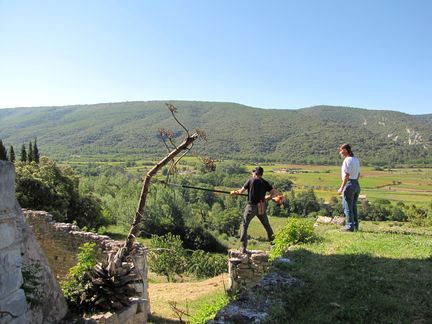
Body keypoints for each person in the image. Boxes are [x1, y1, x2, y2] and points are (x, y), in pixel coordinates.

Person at [230, 166, 278, 252]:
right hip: (261, 206)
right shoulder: (264, 182)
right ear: (261, 174)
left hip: (251, 206)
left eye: (253, 172)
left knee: (245, 225)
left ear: (255, 173)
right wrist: (268, 197)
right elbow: (274, 192)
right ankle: (274, 245)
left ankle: (243, 247)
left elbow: (240, 191)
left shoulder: (250, 180)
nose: (252, 173)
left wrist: (234, 192)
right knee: (267, 225)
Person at [337, 143, 361, 232]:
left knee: (347, 206)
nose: (340, 152)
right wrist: (355, 182)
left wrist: (341, 188)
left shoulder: (347, 160)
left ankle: (349, 227)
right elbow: (358, 174)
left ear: (346, 150)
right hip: (356, 184)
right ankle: (355, 225)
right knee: (353, 206)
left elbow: (347, 175)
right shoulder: (356, 160)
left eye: (341, 150)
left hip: (349, 184)